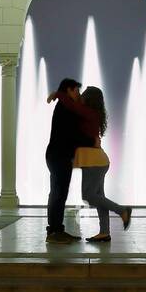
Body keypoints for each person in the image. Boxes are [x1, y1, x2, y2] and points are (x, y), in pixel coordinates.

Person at [48, 84, 132, 242]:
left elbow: (71, 107)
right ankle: (105, 232)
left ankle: (122, 211)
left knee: (89, 196)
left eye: (84, 94)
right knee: (99, 197)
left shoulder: (87, 114)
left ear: (89, 99)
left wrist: (58, 94)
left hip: (94, 163)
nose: (81, 96)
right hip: (98, 162)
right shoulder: (93, 115)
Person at [44, 78, 89, 243]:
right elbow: (73, 134)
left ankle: (56, 229)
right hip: (58, 156)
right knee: (58, 193)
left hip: (58, 155)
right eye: (76, 90)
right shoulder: (65, 107)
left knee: (59, 192)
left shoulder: (64, 106)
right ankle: (54, 231)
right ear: (69, 90)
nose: (78, 93)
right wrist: (91, 142)